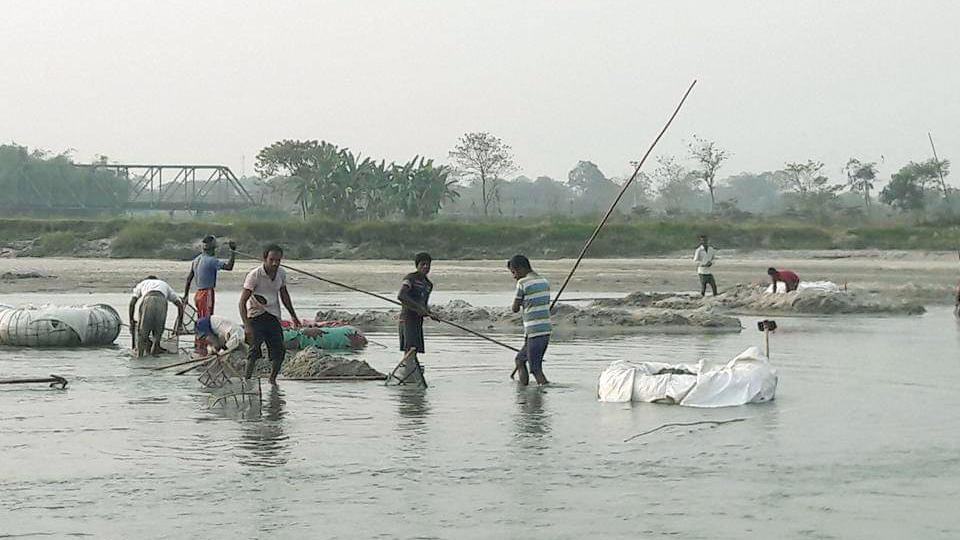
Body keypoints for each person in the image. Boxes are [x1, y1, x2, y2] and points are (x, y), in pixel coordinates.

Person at [239, 244, 301, 384]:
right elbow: (242, 302)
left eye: (278, 260)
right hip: (256, 316)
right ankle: (246, 380)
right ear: (264, 259)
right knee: (254, 350)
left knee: (279, 351)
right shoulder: (254, 275)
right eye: (272, 260)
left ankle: (272, 380)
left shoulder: (281, 273)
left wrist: (293, 315)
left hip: (273, 315)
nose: (275, 263)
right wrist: (247, 326)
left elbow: (284, 295)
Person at [184, 235, 236, 353]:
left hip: (197, 294)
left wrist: (186, 295)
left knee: (200, 320)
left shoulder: (196, 260)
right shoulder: (212, 261)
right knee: (207, 321)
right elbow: (229, 267)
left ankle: (199, 345)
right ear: (213, 248)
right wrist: (233, 252)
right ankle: (203, 348)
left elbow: (189, 278)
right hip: (206, 293)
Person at [508, 254, 551, 386]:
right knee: (520, 360)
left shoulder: (522, 283)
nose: (514, 276)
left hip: (535, 332)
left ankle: (542, 392)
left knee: (536, 369)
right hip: (544, 330)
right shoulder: (544, 281)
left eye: (514, 272)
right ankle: (523, 391)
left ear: (521, 268)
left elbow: (514, 308)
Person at [393, 252, 433, 385]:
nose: (426, 267)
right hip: (407, 319)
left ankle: (410, 375)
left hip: (418, 321)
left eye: (428, 265)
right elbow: (401, 296)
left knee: (414, 350)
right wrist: (418, 308)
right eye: (423, 264)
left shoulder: (428, 285)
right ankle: (408, 376)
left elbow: (423, 304)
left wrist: (429, 313)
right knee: (409, 350)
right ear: (417, 266)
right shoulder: (410, 279)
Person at [129, 275, 184, 357]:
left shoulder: (143, 283)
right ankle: (154, 354)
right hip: (162, 301)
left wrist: (131, 320)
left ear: (147, 279)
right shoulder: (164, 284)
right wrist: (179, 325)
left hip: (148, 299)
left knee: (142, 334)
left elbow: (132, 303)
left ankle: (140, 357)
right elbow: (180, 305)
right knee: (157, 335)